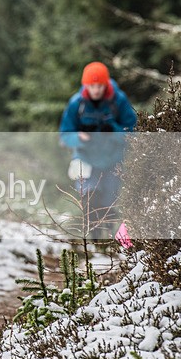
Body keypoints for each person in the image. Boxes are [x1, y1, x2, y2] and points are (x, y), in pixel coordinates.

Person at [59, 61, 137, 239]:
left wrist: (113, 131)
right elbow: (64, 135)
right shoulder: (77, 104)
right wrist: (80, 137)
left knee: (109, 204)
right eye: (92, 86)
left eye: (99, 86)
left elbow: (132, 132)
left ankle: (108, 239)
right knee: (89, 198)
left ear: (105, 84)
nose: (96, 90)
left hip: (113, 160)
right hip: (85, 159)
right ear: (85, 85)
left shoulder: (119, 101)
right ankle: (93, 238)